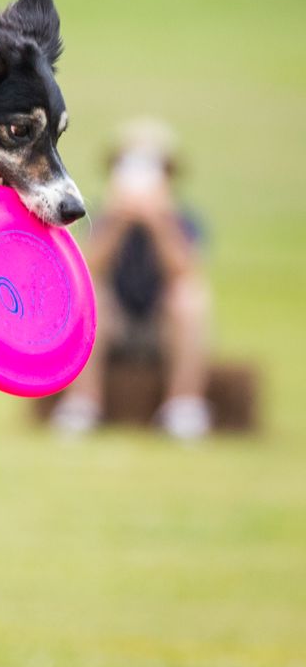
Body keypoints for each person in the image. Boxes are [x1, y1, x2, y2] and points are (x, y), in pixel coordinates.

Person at [51, 119, 212, 440]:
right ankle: (83, 404)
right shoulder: (100, 216)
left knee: (190, 297)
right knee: (91, 294)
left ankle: (183, 406)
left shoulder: (183, 220)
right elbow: (86, 270)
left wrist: (158, 221)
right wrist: (117, 221)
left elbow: (183, 270)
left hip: (160, 325)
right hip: (116, 324)